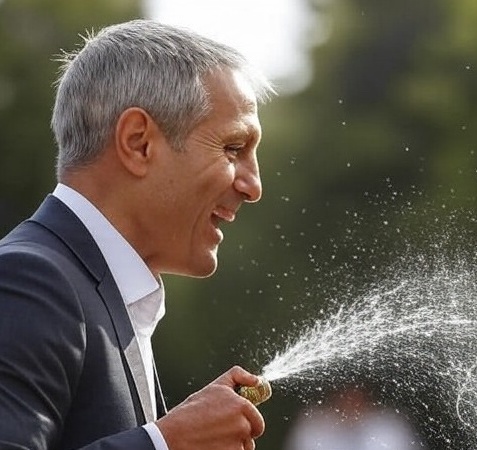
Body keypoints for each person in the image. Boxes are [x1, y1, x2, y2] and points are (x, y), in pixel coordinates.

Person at [0, 19, 275, 450]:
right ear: (138, 142)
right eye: (233, 148)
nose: (253, 186)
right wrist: (167, 442)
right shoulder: (30, 282)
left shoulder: (97, 295)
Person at [284, 385, 424, 450]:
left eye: (356, 399)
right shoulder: (315, 427)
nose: (350, 405)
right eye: (345, 398)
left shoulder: (388, 428)